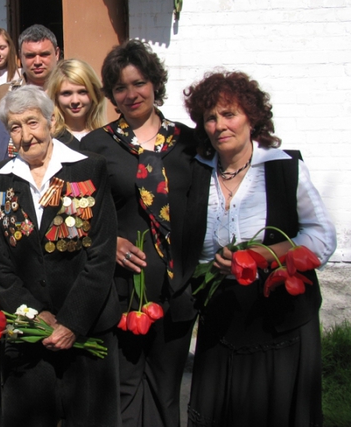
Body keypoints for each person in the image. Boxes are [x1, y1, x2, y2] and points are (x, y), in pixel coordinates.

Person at [182, 71, 336, 427]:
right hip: (222, 324)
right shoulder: (197, 173)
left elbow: (322, 236)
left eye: (229, 114)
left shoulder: (283, 168)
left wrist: (262, 255)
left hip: (279, 323)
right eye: (210, 117)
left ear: (252, 117)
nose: (220, 125)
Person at [0, 85, 121, 427]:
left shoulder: (89, 168)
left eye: (32, 122)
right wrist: (34, 315)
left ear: (50, 121)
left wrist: (72, 322)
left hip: (87, 327)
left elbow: (102, 253)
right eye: (15, 127)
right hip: (30, 334)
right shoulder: (0, 180)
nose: (26, 135)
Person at [80, 39, 199, 427]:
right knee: (125, 388)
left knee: (167, 389)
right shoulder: (95, 146)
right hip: (123, 288)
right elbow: (81, 214)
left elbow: (206, 208)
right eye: (120, 87)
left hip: (177, 285)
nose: (131, 94)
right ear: (111, 94)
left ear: (154, 83)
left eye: (139, 83)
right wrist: (108, 241)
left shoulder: (188, 142)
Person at [46, 58, 106, 150]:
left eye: (82, 92)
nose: (75, 101)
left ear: (95, 93)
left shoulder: (108, 137)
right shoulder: (49, 140)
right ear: (56, 97)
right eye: (67, 93)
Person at [18, 24, 60, 88]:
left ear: (56, 54)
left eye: (44, 55)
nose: (37, 62)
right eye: (30, 55)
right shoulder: (4, 93)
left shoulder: (74, 90)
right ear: (20, 56)